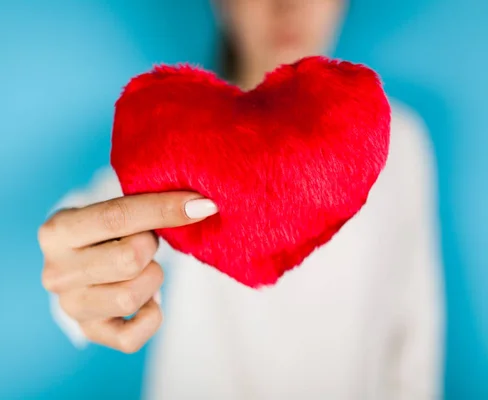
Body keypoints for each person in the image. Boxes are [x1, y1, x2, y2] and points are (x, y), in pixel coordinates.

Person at [38, 0, 444, 398]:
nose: (289, 6)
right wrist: (77, 270)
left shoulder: (399, 141)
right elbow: (98, 223)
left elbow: (412, 331)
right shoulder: (175, 140)